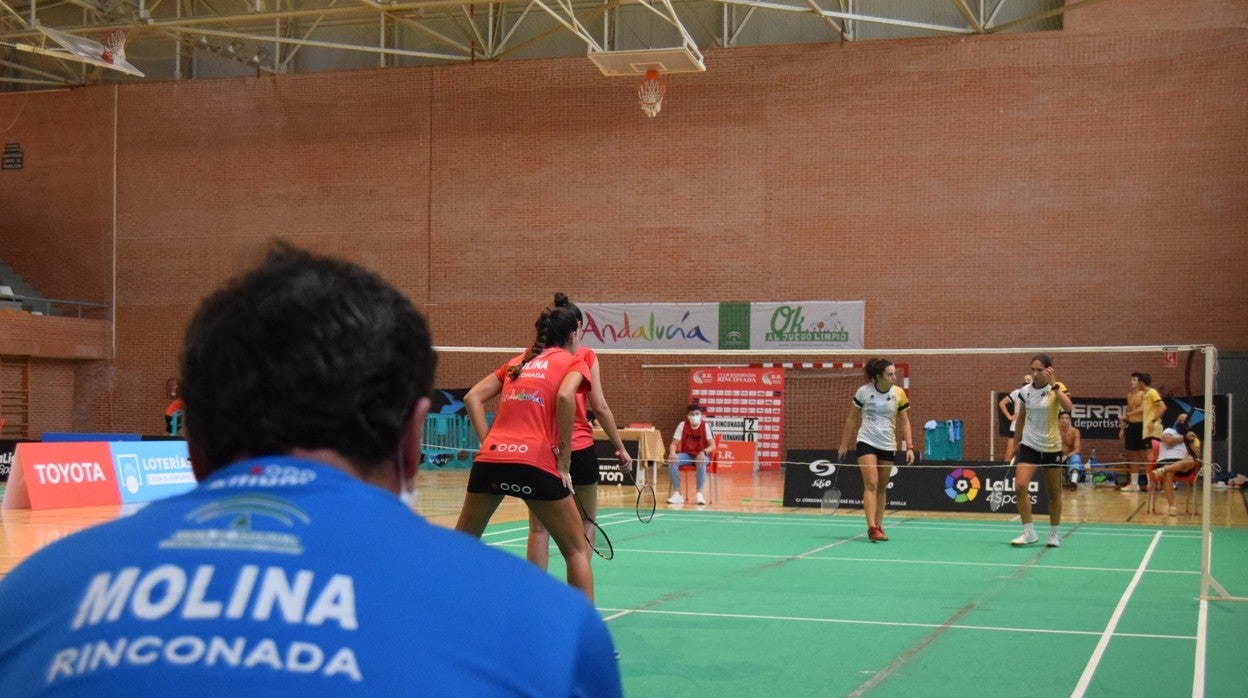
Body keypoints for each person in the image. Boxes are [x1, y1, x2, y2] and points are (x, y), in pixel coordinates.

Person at [0, 243, 621, 696]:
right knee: (568, 549)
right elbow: (570, 401)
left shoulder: (26, 602)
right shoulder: (552, 634)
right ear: (413, 443)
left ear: (192, 444)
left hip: (497, 461)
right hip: (540, 472)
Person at [456, 302, 600, 601]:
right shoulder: (575, 361)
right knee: (575, 549)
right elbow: (564, 396)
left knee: (461, 546)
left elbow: (472, 398)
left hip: (491, 461)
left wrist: (488, 443)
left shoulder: (518, 361)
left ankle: (434, 623)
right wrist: (564, 457)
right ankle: (585, 640)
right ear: (573, 335)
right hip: (534, 462)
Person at [518, 294, 632, 570]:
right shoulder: (585, 356)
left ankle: (537, 594)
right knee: (586, 521)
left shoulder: (530, 356)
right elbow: (601, 408)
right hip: (578, 448)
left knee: (538, 530)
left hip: (540, 451)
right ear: (575, 329)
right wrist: (621, 447)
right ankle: (579, 589)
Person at [837, 358, 914, 543]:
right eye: (890, 374)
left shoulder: (898, 393)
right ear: (878, 376)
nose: (894, 377)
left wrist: (910, 447)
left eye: (894, 373)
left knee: (881, 487)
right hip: (867, 441)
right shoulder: (864, 392)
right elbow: (852, 419)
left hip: (888, 443)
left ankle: (878, 526)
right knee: (871, 482)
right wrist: (843, 443)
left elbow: (905, 421)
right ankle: (871, 528)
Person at [1009, 354, 1074, 548]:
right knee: (1020, 486)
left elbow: (1068, 407)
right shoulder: (1025, 391)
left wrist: (1054, 384)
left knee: (1054, 493)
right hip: (1029, 445)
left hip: (1051, 447)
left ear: (1049, 370)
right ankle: (1029, 532)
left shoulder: (1057, 388)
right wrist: (1015, 442)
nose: (1035, 374)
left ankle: (1054, 534)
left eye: (1040, 370)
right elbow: (1021, 418)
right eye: (1033, 370)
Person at [1120, 372, 1165, 492]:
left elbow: (1148, 408)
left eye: (1135, 380)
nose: (1132, 382)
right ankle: (1134, 484)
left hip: (1144, 426)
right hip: (1132, 425)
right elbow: (1128, 411)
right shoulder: (1129, 395)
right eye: (1131, 380)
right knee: (1132, 455)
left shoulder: (1146, 393)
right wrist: (1123, 427)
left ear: (1140, 382)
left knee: (1147, 455)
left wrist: (1153, 420)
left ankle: (1151, 482)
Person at [1151, 413, 1202, 516]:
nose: (1182, 423)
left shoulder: (1193, 437)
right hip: (1165, 460)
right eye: (1180, 421)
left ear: (1189, 425)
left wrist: (1192, 442)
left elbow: (1197, 454)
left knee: (1192, 459)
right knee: (1168, 473)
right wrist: (1185, 438)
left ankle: (1164, 469)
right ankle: (1172, 506)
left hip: (1182, 464)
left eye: (1185, 422)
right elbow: (1169, 441)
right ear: (1176, 423)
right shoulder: (1169, 431)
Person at [666, 404, 716, 505]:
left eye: (697, 414)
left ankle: (699, 494)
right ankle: (678, 493)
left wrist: (703, 452)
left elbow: (713, 445)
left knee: (700, 460)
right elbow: (674, 443)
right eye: (692, 414)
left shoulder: (705, 426)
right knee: (672, 460)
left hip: (702, 455)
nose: (694, 416)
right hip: (687, 455)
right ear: (687, 416)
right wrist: (672, 453)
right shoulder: (682, 425)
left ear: (701, 415)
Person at [998, 375, 1033, 463]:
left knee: (1031, 454)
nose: (1026, 385)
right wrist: (1009, 416)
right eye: (1025, 383)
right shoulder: (1017, 392)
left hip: (1030, 428)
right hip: (1015, 427)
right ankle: (1005, 474)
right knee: (1009, 453)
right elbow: (1002, 403)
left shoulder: (1036, 394)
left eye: (1028, 383)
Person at [1058, 411, 1083, 488]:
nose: (1064, 420)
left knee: (1076, 458)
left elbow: (1077, 449)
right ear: (1058, 421)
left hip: (1069, 456)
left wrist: (1066, 456)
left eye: (1067, 418)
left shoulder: (1075, 431)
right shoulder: (1055, 431)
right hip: (1057, 455)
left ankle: (1073, 482)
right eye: (1062, 418)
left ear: (1070, 420)